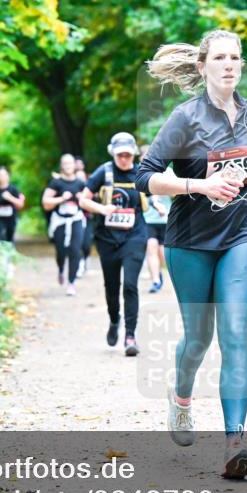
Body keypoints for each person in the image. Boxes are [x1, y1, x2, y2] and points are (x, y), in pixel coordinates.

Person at [135, 29, 247, 479]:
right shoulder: (185, 118)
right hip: (191, 241)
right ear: (202, 68)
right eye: (219, 57)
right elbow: (146, 175)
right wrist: (198, 184)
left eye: (235, 58)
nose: (228, 65)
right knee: (198, 337)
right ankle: (181, 399)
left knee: (235, 332)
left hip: (244, 231)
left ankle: (235, 443)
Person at [79, 132, 149, 357]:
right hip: (107, 238)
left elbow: (155, 191)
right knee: (111, 287)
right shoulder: (104, 171)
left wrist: (157, 203)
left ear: (134, 154)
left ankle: (130, 335)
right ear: (113, 154)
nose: (124, 159)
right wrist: (102, 209)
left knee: (130, 284)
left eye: (128, 155)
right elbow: (83, 199)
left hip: (135, 235)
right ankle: (114, 320)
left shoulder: (140, 172)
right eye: (120, 155)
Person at [42, 154, 86, 296]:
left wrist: (82, 199)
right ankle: (61, 269)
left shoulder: (80, 183)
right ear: (61, 165)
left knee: (75, 250)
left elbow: (90, 201)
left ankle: (71, 283)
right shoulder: (56, 183)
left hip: (76, 219)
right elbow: (45, 203)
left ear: (74, 165)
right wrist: (61, 199)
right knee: (61, 251)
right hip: (60, 221)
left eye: (70, 163)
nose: (68, 166)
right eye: (65, 163)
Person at [142, 154, 172, 293]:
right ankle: (155, 280)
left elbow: (175, 194)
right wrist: (155, 202)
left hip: (166, 219)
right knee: (151, 247)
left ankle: (159, 273)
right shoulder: (141, 173)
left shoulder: (169, 172)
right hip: (148, 219)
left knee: (162, 253)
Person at [0, 166, 25, 245]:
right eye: (0, 175)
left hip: (11, 218)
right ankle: (3, 255)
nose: (2, 177)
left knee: (10, 237)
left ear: (8, 176)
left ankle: (10, 254)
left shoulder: (13, 189)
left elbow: (21, 204)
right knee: (1, 235)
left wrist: (10, 198)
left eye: (3, 175)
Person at [75, 157, 95, 279]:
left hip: (88, 218)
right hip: (74, 219)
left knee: (87, 243)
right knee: (77, 243)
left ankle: (86, 259)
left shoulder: (90, 188)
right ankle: (79, 265)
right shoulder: (70, 187)